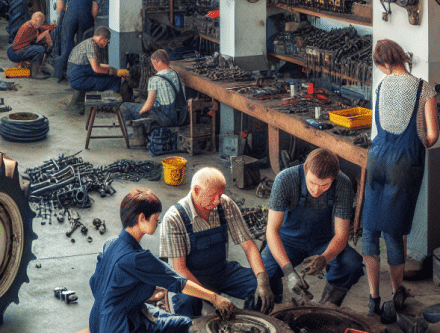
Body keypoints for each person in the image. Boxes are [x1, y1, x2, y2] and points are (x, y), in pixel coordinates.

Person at [362, 39, 438, 323]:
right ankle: (396, 295)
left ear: (384, 62)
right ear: (402, 58)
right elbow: (432, 135)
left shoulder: (381, 87)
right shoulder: (424, 88)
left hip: (377, 156)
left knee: (370, 230)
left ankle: (373, 299)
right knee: (393, 232)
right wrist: (416, 146)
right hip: (404, 162)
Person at [89, 188, 236, 333]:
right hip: (121, 327)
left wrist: (132, 297)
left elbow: (95, 283)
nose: (158, 221)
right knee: (186, 324)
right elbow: (179, 282)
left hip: (97, 321)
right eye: (156, 218)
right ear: (141, 218)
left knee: (163, 315)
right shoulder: (137, 258)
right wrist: (215, 298)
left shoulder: (110, 243)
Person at [159, 167, 274, 318]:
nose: (217, 200)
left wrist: (262, 278)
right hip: (191, 277)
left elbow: (249, 246)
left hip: (222, 272)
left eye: (220, 195)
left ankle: (250, 323)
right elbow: (180, 269)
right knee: (188, 301)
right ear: (196, 190)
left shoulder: (224, 204)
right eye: (213, 196)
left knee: (260, 289)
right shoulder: (174, 218)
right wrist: (213, 298)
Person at [261, 148, 364, 307]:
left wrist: (325, 258)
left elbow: (342, 235)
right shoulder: (285, 180)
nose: (317, 190)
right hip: (288, 240)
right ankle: (276, 309)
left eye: (324, 185)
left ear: (334, 178)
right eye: (312, 183)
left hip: (322, 242)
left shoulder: (343, 184)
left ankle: (326, 308)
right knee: (265, 272)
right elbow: (272, 230)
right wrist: (289, 272)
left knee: (351, 264)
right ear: (305, 169)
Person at [120, 49, 189, 127]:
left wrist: (139, 113)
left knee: (125, 107)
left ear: (159, 62)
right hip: (180, 118)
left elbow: (148, 106)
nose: (154, 67)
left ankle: (135, 136)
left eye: (154, 64)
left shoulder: (154, 80)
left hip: (165, 118)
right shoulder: (175, 74)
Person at [53, 0, 99, 82]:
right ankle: (83, 74)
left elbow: (60, 8)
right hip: (86, 18)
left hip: (70, 18)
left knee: (67, 43)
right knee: (83, 44)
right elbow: (95, 7)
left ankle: (63, 73)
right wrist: (91, 20)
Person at [66, 26, 129, 95]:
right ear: (101, 38)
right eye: (105, 42)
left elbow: (96, 64)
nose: (105, 45)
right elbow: (96, 69)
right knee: (113, 80)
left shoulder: (89, 42)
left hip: (79, 74)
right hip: (78, 79)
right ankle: (120, 101)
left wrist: (111, 68)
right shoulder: (91, 46)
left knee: (111, 76)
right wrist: (111, 71)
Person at [7, 11, 53, 80]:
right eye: (41, 23)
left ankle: (35, 70)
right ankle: (35, 74)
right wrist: (46, 35)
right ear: (36, 20)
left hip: (16, 49)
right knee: (40, 49)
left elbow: (42, 28)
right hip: (15, 52)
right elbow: (37, 39)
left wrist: (51, 27)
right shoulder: (28, 27)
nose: (41, 25)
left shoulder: (32, 24)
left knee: (38, 48)